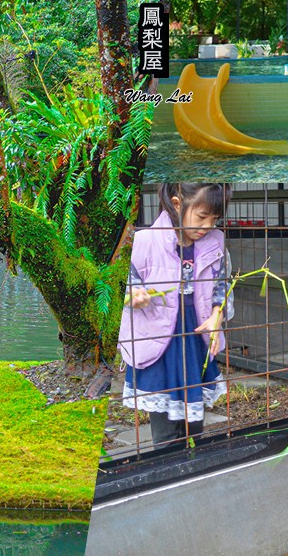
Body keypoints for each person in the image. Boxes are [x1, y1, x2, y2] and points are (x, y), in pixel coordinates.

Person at [119, 183, 232, 449]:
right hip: (159, 339)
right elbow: (122, 283)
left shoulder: (215, 241)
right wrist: (134, 295)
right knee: (165, 418)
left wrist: (217, 316)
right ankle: (166, 459)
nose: (207, 226)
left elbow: (222, 284)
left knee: (195, 417)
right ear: (177, 203)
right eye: (202, 217)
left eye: (215, 219)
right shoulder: (144, 241)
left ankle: (195, 457)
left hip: (195, 333)